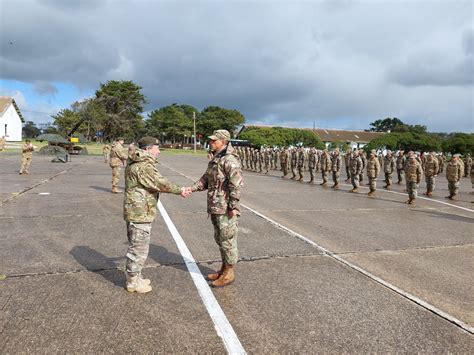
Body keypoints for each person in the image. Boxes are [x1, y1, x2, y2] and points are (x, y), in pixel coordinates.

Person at [123, 136, 189, 293]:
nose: (158, 151)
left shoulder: (138, 162)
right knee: (138, 249)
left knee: (138, 246)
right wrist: (181, 190)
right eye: (156, 148)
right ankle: (132, 282)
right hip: (140, 213)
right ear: (147, 149)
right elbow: (160, 183)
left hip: (138, 210)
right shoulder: (143, 166)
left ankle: (136, 276)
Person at [190, 130, 243, 288]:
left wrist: (233, 206)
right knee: (220, 239)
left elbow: (236, 185)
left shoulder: (229, 160)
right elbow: (206, 179)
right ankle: (223, 268)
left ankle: (229, 273)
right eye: (211, 140)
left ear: (223, 141)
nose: (211, 142)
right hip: (215, 206)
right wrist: (191, 189)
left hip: (225, 207)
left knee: (227, 240)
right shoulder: (216, 159)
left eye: (214, 140)